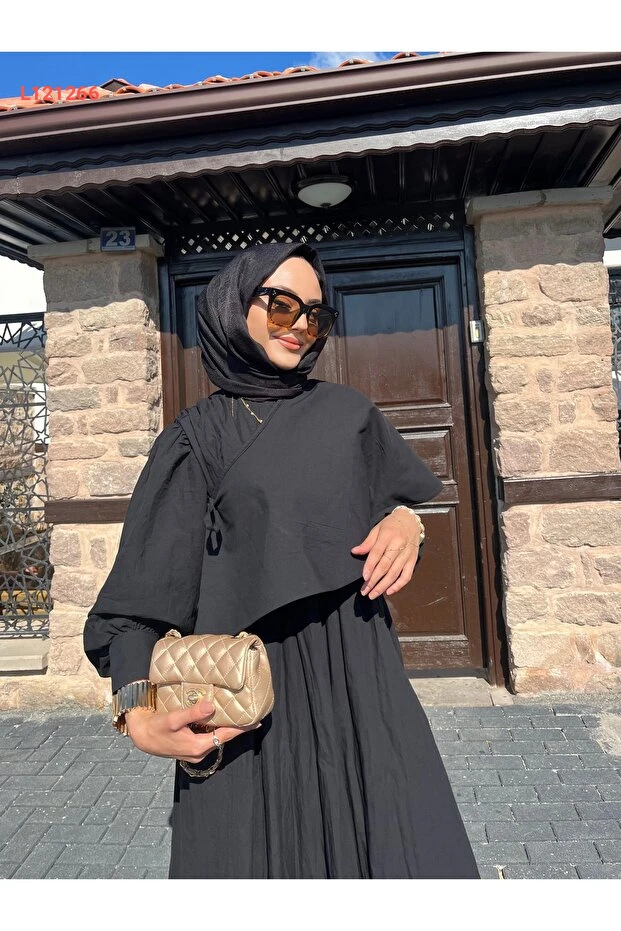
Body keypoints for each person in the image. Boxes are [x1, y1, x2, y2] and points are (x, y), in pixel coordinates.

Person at [83, 242, 480, 880]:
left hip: (358, 683)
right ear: (232, 306)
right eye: (281, 306)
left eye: (316, 315)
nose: (300, 325)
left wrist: (409, 522)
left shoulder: (349, 414)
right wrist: (135, 711)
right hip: (247, 698)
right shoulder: (196, 440)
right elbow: (138, 602)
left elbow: (393, 503)